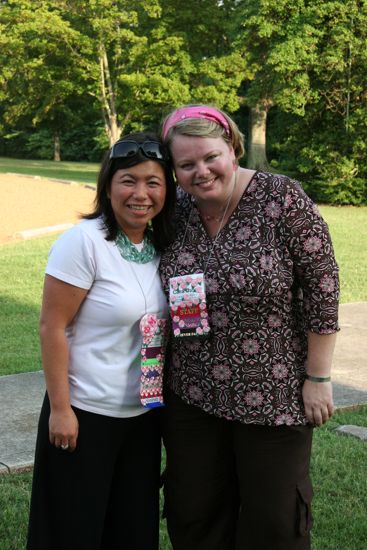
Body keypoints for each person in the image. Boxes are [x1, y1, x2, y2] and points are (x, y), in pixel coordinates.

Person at [159, 105, 339, 550]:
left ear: (233, 148)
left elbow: (323, 288)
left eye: (210, 157)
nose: (201, 171)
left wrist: (318, 378)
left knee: (274, 520)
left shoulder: (282, 198)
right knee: (194, 514)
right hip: (192, 394)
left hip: (273, 393)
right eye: (186, 164)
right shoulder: (175, 210)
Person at [27, 132, 176, 550]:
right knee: (72, 530)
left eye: (153, 182)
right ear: (108, 185)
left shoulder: (161, 244)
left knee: (131, 530)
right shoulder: (84, 242)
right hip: (85, 414)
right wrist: (60, 410)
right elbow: (51, 326)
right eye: (128, 180)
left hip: (143, 417)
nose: (141, 194)